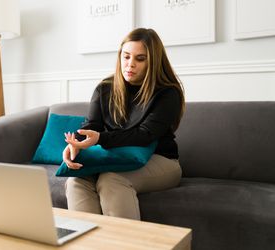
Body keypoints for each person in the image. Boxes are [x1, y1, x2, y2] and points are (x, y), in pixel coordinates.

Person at [62, 28, 185, 220]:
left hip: (161, 160)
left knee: (112, 180)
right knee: (77, 179)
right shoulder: (105, 88)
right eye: (126, 56)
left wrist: (100, 138)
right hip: (115, 157)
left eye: (140, 59)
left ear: (153, 62)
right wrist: (74, 145)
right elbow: (91, 125)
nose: (130, 64)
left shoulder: (168, 93)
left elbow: (144, 134)